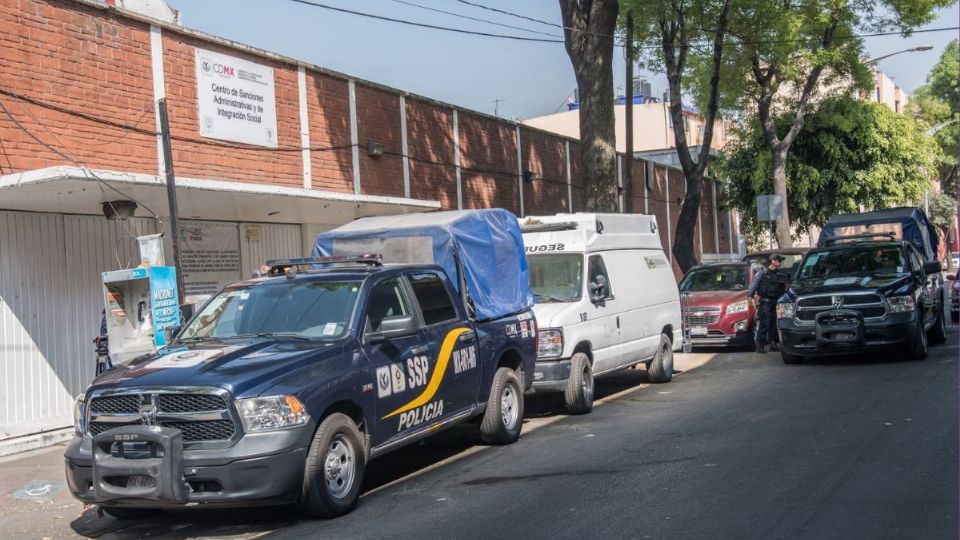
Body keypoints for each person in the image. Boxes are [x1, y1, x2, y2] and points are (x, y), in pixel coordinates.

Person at [748, 254, 787, 353]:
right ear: (773, 261)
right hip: (765, 302)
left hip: (777, 302)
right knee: (764, 323)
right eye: (779, 260)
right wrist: (750, 296)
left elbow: (785, 286)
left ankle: (773, 343)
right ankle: (760, 345)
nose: (780, 262)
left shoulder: (780, 273)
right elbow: (754, 284)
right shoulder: (762, 272)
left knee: (774, 323)